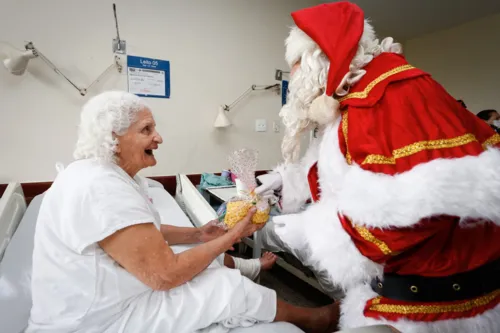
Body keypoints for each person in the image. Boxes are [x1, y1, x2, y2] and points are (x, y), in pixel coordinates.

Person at [256, 2, 500, 333]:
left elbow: (410, 212)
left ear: (319, 58)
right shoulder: (351, 97)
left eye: (296, 65)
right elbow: (341, 169)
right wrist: (289, 181)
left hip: (431, 305)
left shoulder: (388, 93)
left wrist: (310, 230)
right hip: (395, 285)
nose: (295, 77)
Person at [26, 91, 340, 333]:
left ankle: (277, 294)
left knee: (213, 270)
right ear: (114, 140)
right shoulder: (101, 188)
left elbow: (135, 231)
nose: (158, 137)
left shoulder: (102, 175)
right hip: (93, 319)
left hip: (95, 297)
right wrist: (232, 235)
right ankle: (314, 320)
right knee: (227, 288)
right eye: (146, 129)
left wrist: (197, 234)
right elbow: (165, 275)